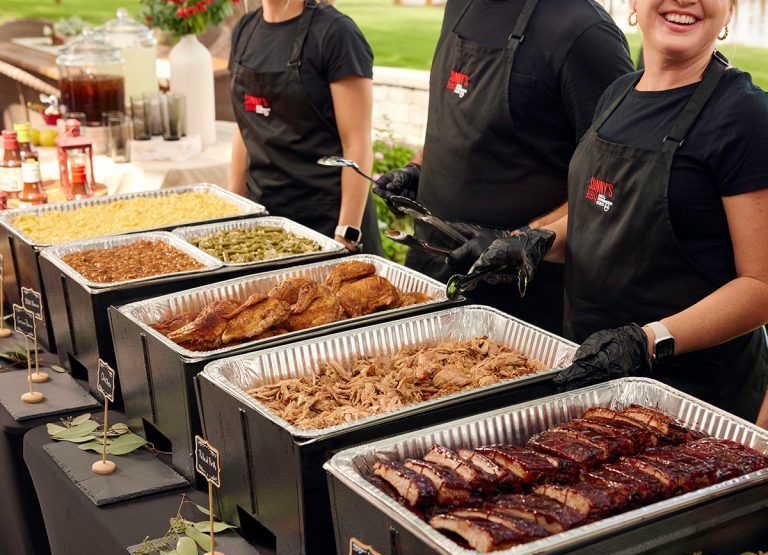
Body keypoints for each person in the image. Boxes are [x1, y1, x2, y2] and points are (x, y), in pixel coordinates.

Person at [467, 0, 768, 424]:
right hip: (590, 378)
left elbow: (760, 286)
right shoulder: (617, 94)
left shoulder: (746, 116)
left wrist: (646, 341)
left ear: (730, 9)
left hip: (693, 403)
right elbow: (610, 210)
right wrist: (538, 242)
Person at [373, 0, 634, 335]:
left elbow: (617, 187)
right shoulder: (460, 5)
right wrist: (417, 167)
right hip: (432, 277)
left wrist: (519, 240)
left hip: (520, 307)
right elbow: (456, 117)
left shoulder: (585, 32)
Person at [228, 0, 382, 255]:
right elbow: (244, 127)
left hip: (325, 221)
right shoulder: (245, 30)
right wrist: (233, 213)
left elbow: (357, 141)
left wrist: (346, 234)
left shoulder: (336, 33)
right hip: (263, 227)